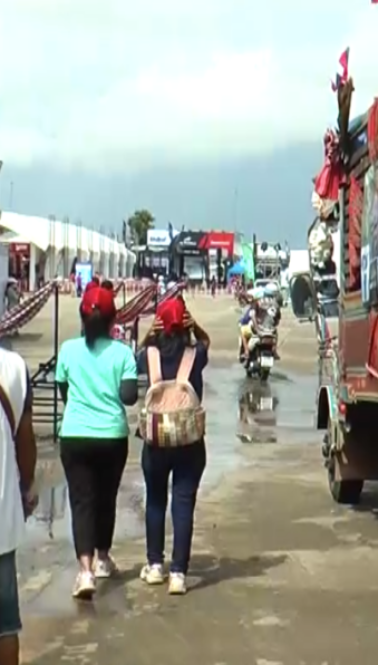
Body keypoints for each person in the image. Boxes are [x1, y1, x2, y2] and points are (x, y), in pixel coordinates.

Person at [54, 282, 138, 599]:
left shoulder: (67, 350)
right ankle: (103, 558)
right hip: (112, 437)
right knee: (106, 498)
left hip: (75, 434)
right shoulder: (122, 353)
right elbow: (129, 397)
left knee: (82, 501)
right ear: (113, 320)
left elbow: (64, 391)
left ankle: (85, 571)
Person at [137, 298, 210, 596]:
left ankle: (155, 566)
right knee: (183, 505)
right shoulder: (196, 354)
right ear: (185, 325)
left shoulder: (149, 356)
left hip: (156, 442)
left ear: (159, 326)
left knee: (155, 501)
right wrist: (196, 327)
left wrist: (148, 334)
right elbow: (206, 340)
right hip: (189, 441)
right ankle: (178, 572)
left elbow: (138, 352)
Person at [0, 343, 37, 665]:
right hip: (1, 520)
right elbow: (25, 439)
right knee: (4, 627)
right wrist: (26, 489)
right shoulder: (13, 367)